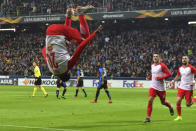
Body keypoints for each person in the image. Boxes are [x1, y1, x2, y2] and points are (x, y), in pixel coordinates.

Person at [42, 6, 103, 82]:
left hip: (59, 32)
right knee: (66, 40)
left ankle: (80, 13)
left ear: (67, 73)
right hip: (49, 31)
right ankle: (69, 15)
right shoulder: (51, 69)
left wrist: (95, 33)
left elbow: (80, 48)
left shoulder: (67, 67)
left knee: (85, 40)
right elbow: (44, 51)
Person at [144, 53, 174, 123]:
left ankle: (170, 106)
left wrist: (161, 78)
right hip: (153, 86)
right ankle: (148, 117)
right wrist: (149, 76)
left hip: (161, 88)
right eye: (154, 56)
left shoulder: (162, 66)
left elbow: (169, 74)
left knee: (163, 102)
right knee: (150, 100)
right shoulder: (152, 65)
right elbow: (153, 74)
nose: (155, 57)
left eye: (156, 56)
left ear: (159, 58)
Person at [173, 56, 196, 121]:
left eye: (185, 58)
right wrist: (174, 80)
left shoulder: (191, 68)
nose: (184, 59)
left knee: (188, 104)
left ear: (188, 60)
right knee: (178, 101)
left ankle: (194, 98)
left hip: (189, 88)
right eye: (183, 58)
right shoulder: (180, 68)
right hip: (181, 87)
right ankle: (179, 116)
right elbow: (178, 75)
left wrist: (193, 82)